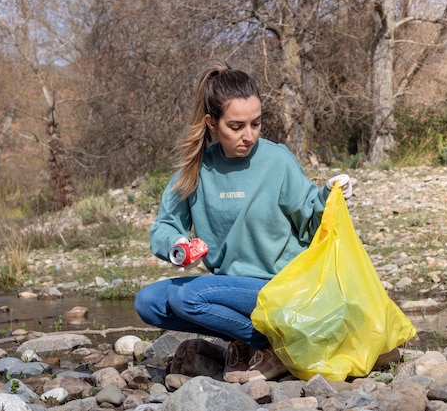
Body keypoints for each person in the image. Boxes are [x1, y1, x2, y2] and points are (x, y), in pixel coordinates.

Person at [134, 61, 353, 383]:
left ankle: (273, 344)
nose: (248, 135)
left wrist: (330, 195)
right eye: (236, 126)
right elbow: (165, 226)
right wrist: (177, 247)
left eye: (256, 123)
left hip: (283, 286)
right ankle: (252, 340)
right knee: (148, 302)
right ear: (212, 123)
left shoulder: (276, 160)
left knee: (186, 298)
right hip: (228, 287)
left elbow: (310, 221)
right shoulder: (196, 169)